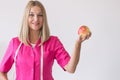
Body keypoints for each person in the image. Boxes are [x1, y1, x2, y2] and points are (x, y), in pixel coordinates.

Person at [0, 0, 91, 80]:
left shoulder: (53, 42)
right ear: (26, 18)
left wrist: (78, 43)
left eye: (40, 15)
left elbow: (71, 68)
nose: (36, 19)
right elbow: (1, 71)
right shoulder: (15, 43)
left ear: (44, 19)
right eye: (31, 15)